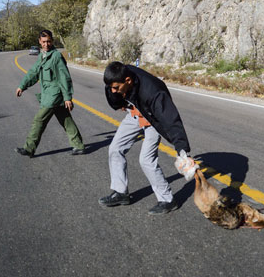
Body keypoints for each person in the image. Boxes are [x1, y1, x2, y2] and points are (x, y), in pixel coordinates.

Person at [99, 61, 196, 215]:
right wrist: (118, 102)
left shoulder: (153, 92)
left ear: (128, 81)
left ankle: (168, 200)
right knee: (115, 149)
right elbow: (111, 91)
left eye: (116, 88)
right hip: (135, 112)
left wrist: (182, 150)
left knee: (146, 160)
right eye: (111, 87)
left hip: (153, 117)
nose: (112, 90)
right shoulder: (117, 78)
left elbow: (170, 119)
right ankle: (121, 193)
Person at [15, 30, 84, 158]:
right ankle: (78, 145)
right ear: (39, 42)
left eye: (49, 41)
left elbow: (64, 78)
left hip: (54, 95)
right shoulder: (42, 56)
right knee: (65, 119)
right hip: (48, 94)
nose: (46, 44)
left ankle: (29, 148)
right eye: (44, 42)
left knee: (39, 120)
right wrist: (22, 86)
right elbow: (33, 73)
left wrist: (68, 97)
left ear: (52, 41)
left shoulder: (56, 56)